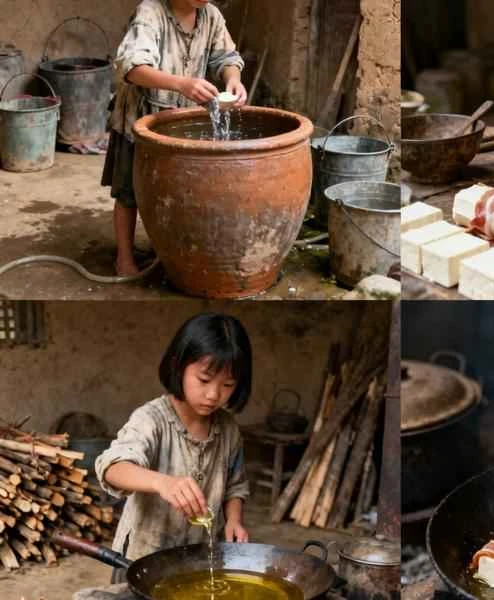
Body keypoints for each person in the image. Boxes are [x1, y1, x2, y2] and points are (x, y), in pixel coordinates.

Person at [95, 312, 251, 582]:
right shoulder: (152, 420)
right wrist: (162, 483)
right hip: (142, 561)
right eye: (204, 380)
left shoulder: (228, 429)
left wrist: (234, 520)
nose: (214, 394)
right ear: (178, 367)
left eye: (227, 385)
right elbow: (111, 467)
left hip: (199, 560)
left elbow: (235, 486)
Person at [102, 0, 247, 276]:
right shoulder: (151, 12)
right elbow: (131, 67)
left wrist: (233, 78)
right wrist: (182, 83)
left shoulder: (210, 16)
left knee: (171, 188)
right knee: (128, 191)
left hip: (178, 118)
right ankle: (124, 259)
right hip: (140, 120)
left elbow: (226, 58)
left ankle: (163, 248)